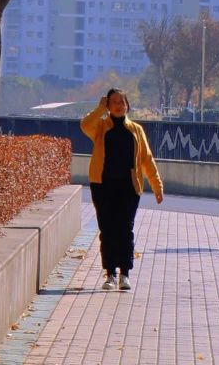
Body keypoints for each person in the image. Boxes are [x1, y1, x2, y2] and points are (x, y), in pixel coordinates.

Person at [81, 88, 163, 290]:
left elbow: (146, 159)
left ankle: (124, 274)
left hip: (129, 187)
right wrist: (99, 108)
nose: (118, 105)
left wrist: (156, 184)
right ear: (108, 106)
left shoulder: (135, 130)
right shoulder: (100, 126)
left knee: (125, 229)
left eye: (122, 101)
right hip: (103, 186)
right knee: (107, 230)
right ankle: (110, 274)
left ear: (127, 105)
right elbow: (85, 125)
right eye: (114, 102)